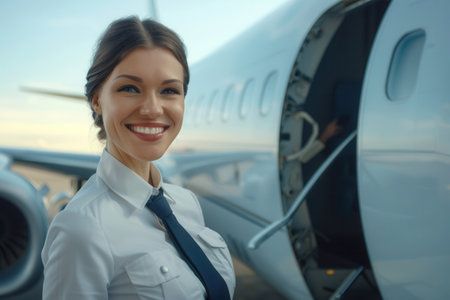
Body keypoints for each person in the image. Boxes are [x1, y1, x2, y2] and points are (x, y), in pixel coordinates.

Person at [41, 17, 235, 299]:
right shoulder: (80, 230)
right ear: (97, 99)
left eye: (169, 90)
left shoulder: (184, 203)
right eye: (130, 88)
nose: (153, 109)